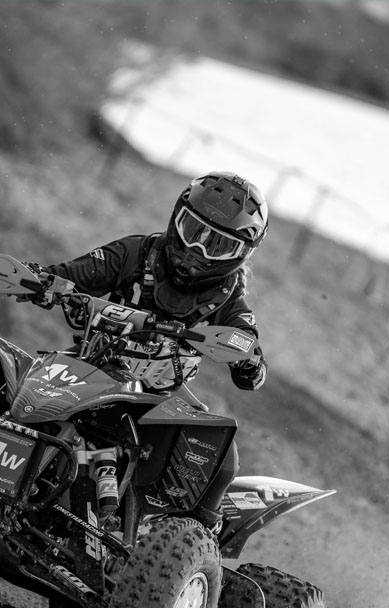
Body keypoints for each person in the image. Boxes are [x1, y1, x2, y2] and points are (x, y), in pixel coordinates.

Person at [31, 171, 270, 532]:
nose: (197, 250)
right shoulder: (135, 253)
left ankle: (198, 537)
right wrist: (42, 281)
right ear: (177, 219)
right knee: (22, 387)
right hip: (93, 362)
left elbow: (249, 353)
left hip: (162, 392)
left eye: (217, 245)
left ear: (240, 254)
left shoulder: (230, 301)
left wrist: (249, 362)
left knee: (222, 455)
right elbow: (71, 276)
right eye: (193, 231)